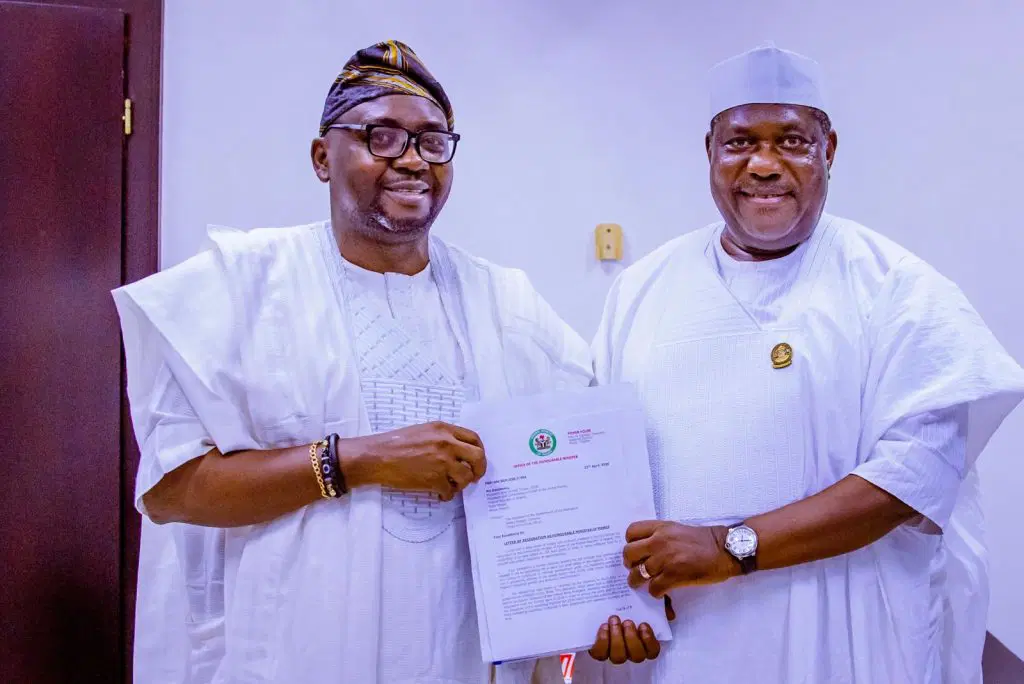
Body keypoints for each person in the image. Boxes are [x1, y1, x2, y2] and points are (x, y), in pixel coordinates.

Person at [113, 40, 590, 684]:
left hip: (458, 652)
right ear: (322, 157)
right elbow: (171, 491)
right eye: (381, 138)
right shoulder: (240, 286)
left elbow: (577, 465)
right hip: (291, 654)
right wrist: (357, 461)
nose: (413, 161)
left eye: (432, 142)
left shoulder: (507, 304)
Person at [576, 43, 1024, 683]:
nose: (763, 165)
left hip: (848, 637)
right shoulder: (642, 291)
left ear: (828, 150)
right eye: (739, 143)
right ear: (710, 151)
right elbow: (599, 463)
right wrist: (610, 596)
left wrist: (729, 548)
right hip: (688, 641)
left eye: (791, 141)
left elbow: (914, 477)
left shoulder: (899, 290)